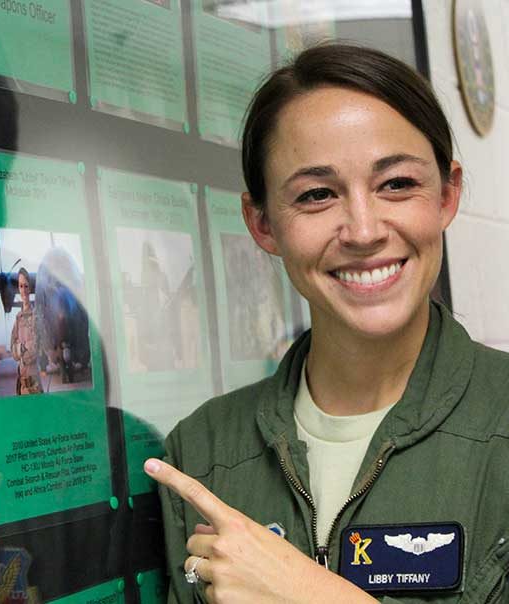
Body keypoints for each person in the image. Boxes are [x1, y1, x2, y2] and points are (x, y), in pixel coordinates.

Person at [145, 43, 509, 603]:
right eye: (317, 194)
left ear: (447, 195)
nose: (363, 230)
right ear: (263, 223)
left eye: (396, 184)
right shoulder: (202, 454)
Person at [11, 267, 43, 395]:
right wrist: (22, 348)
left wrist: (19, 349)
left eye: (26, 286)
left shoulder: (36, 316)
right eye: (20, 286)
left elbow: (35, 348)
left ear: (30, 289)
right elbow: (12, 350)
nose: (23, 290)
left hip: (34, 384)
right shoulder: (18, 318)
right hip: (21, 386)